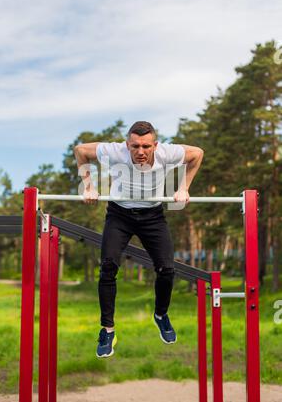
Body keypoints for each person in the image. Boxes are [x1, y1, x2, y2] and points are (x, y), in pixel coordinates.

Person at [74, 121, 204, 358]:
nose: (140, 152)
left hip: (152, 215)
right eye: (135, 146)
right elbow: (81, 151)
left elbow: (197, 154)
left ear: (155, 145)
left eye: (146, 146)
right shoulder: (115, 151)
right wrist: (88, 186)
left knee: (167, 269)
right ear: (127, 144)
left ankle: (161, 315)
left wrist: (184, 187)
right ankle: (108, 329)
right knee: (108, 267)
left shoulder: (168, 152)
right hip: (119, 214)